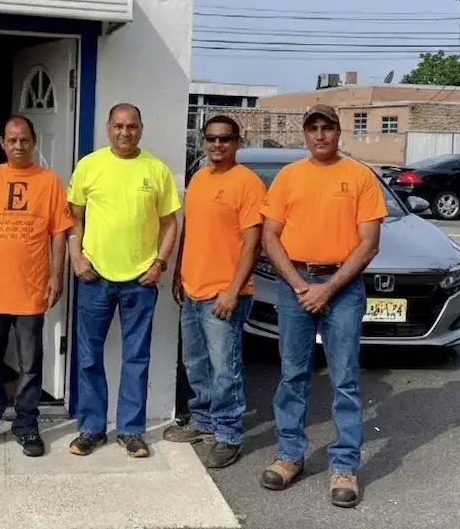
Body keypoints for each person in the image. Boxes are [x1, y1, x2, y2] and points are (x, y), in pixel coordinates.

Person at [258, 104, 386, 508]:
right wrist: (300, 285)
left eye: (326, 128)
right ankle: (290, 456)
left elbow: (368, 243)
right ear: (304, 133)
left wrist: (327, 288)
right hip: (295, 284)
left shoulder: (360, 177)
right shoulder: (288, 177)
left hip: (342, 288)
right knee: (293, 374)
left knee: (345, 378)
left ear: (338, 132)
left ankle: (344, 465)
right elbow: (270, 237)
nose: (319, 135)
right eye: (312, 128)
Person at [66, 103, 180, 459]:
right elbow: (74, 218)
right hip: (94, 276)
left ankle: (131, 430)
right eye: (118, 126)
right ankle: (91, 428)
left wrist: (160, 263)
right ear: (108, 128)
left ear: (141, 129)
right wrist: (77, 257)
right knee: (88, 356)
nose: (125, 133)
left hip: (140, 281)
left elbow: (170, 223)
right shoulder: (89, 166)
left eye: (131, 127)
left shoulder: (156, 170)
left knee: (136, 357)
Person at [0, 115, 73, 457]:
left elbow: (58, 234)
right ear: (2, 143)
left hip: (31, 290)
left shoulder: (49, 182)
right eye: (12, 140)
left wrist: (57, 275)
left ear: (33, 142)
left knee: (30, 365)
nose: (18, 145)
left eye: (24, 140)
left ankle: (26, 425)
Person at [164, 115, 265, 470]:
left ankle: (228, 435)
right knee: (195, 363)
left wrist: (233, 291)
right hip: (193, 289)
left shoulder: (248, 183)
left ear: (237, 142)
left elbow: (253, 245)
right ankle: (203, 421)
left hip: (225, 293)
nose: (217, 145)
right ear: (204, 141)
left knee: (225, 368)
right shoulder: (199, 178)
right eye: (211, 138)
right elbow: (191, 229)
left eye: (225, 139)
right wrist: (180, 273)